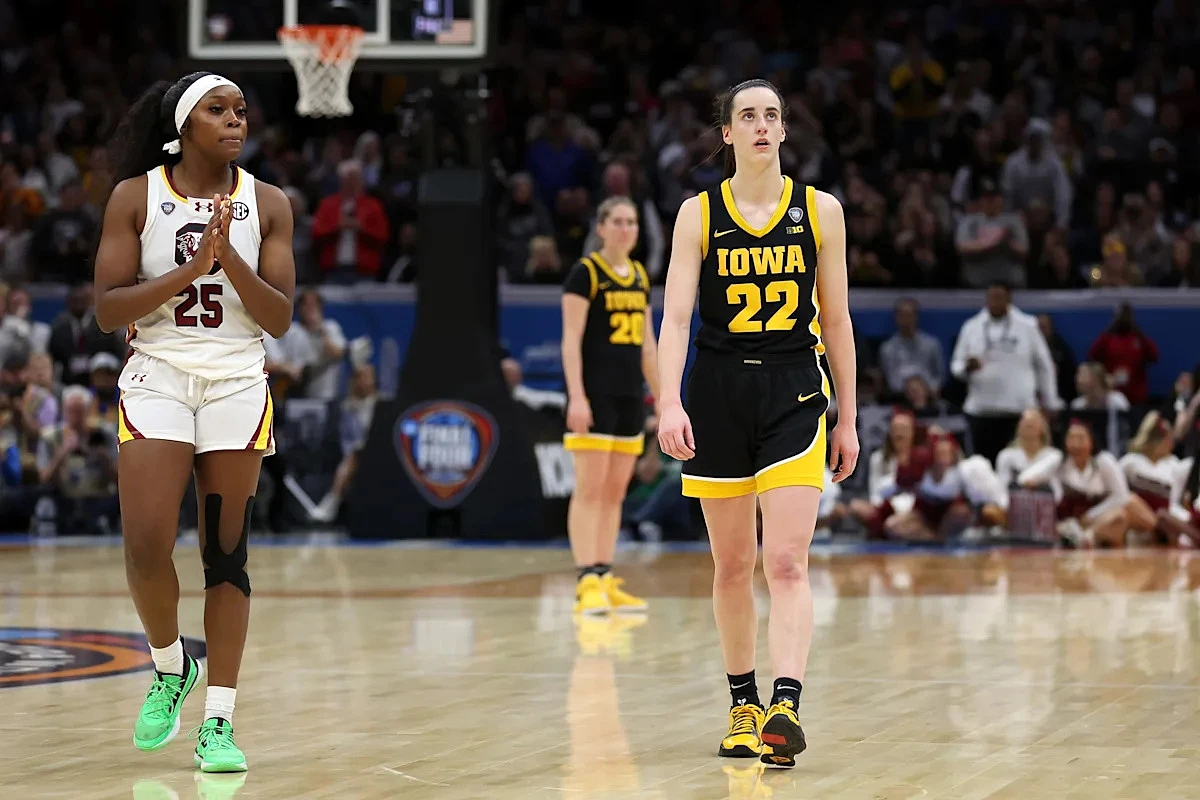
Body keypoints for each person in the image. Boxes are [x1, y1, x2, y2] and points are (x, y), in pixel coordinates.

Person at [93, 72, 295, 773]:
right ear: (183, 126)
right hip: (159, 373)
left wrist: (228, 258)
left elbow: (278, 318)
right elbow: (108, 309)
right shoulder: (136, 196)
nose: (236, 120)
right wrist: (189, 271)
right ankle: (171, 665)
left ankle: (219, 722)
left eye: (240, 110)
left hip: (236, 378)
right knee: (147, 544)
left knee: (225, 555)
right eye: (218, 110)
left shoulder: (267, 203)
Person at [656, 79, 859, 768]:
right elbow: (675, 319)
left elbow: (837, 322)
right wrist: (669, 401)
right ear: (728, 133)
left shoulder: (821, 211)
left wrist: (848, 418)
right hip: (717, 391)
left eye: (772, 115)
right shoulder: (698, 214)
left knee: (787, 561)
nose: (763, 125)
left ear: (783, 129)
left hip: (794, 388)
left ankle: (785, 706)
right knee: (733, 564)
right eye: (748, 116)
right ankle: (742, 703)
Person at [561, 196, 658, 616]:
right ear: (600, 228)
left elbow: (648, 346)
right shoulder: (585, 273)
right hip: (595, 394)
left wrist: (665, 399)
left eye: (631, 222)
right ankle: (586, 579)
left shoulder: (639, 275)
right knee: (590, 489)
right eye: (617, 221)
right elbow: (570, 340)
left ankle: (603, 574)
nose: (625, 229)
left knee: (615, 493)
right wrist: (577, 396)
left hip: (629, 396)